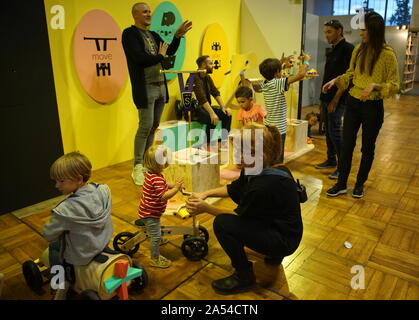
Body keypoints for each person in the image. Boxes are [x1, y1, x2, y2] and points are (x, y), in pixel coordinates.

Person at [186, 123, 303, 295]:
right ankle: (273, 255)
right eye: (239, 151)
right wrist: (205, 193)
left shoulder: (263, 185)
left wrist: (206, 208)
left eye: (249, 152)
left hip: (284, 241)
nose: (240, 158)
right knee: (240, 220)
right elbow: (233, 189)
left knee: (222, 224)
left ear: (266, 153)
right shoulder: (259, 168)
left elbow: (235, 218)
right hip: (285, 230)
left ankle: (244, 276)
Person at [323, 11, 399, 198]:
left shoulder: (388, 55)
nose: (361, 33)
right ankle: (341, 184)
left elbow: (395, 86)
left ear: (374, 31)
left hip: (372, 107)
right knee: (347, 144)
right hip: (353, 103)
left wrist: (375, 86)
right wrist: (335, 80)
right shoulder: (358, 50)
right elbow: (351, 74)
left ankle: (359, 184)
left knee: (367, 147)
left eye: (364, 30)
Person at [122, 2, 192, 186]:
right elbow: (139, 59)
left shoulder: (153, 34)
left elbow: (168, 51)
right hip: (145, 87)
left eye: (149, 11)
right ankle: (137, 166)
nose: (149, 14)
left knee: (153, 126)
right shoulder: (129, 34)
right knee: (145, 126)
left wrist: (177, 36)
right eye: (145, 11)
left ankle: (146, 163)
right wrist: (160, 56)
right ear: (135, 14)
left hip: (160, 86)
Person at [43, 151, 113, 299]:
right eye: (55, 181)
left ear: (79, 179)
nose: (56, 185)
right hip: (102, 242)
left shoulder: (65, 209)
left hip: (82, 253)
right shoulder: (103, 191)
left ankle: (58, 285)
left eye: (61, 181)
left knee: (54, 248)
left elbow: (49, 234)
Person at [245, 55, 308, 163]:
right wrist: (305, 60)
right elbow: (301, 75)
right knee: (278, 153)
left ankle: (269, 168)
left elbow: (271, 72)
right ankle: (277, 170)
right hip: (279, 127)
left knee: (271, 151)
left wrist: (281, 62)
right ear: (276, 73)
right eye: (280, 71)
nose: (282, 73)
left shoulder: (265, 83)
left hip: (269, 124)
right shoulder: (278, 83)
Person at [315, 19, 354, 180]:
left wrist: (335, 100)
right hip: (326, 98)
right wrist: (323, 99)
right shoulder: (333, 49)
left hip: (338, 100)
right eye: (325, 32)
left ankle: (341, 166)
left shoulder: (348, 50)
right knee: (329, 132)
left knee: (335, 132)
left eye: (329, 32)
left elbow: (346, 79)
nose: (326, 35)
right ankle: (331, 159)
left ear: (339, 31)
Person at [138, 145, 184, 268]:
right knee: (156, 236)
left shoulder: (152, 175)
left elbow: (164, 184)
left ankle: (156, 238)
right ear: (156, 164)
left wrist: (173, 185)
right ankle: (155, 259)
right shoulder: (156, 179)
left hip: (150, 211)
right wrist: (176, 188)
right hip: (150, 214)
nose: (166, 163)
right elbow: (163, 196)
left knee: (156, 230)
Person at [192, 55, 232, 148]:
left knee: (227, 114)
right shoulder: (194, 77)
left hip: (206, 107)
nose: (213, 65)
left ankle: (223, 141)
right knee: (212, 118)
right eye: (210, 63)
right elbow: (202, 98)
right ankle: (206, 143)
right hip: (196, 109)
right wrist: (212, 113)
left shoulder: (207, 77)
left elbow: (215, 92)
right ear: (203, 65)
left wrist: (223, 107)